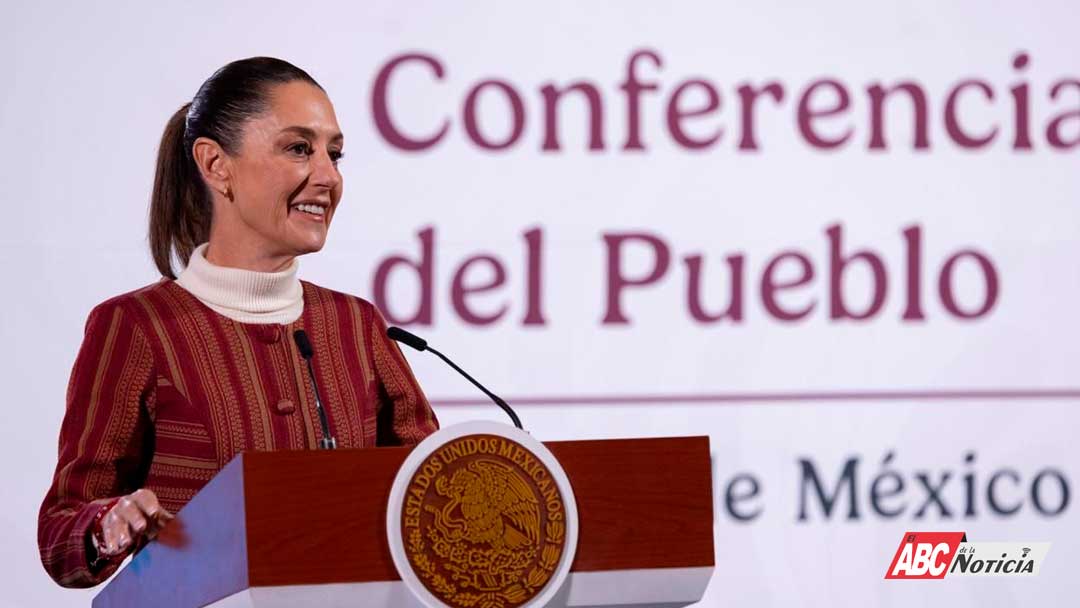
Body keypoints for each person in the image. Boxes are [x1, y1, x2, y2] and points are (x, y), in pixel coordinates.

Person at [37, 57, 439, 588]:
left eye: (335, 154)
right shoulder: (136, 327)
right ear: (215, 164)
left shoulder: (356, 326)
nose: (329, 176)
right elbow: (61, 531)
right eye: (299, 149)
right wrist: (107, 524)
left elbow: (435, 490)